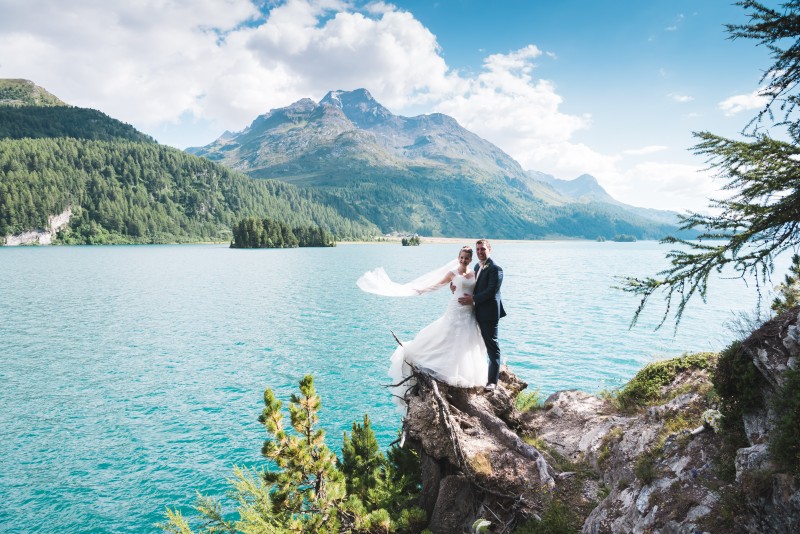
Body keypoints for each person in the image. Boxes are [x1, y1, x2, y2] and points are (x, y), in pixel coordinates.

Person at [356, 246, 488, 404]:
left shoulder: (474, 273)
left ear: (470, 259)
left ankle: (464, 375)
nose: (463, 260)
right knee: (448, 335)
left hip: (469, 311)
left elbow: (477, 289)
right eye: (461, 257)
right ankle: (440, 368)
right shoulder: (453, 273)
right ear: (458, 257)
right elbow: (439, 284)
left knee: (466, 340)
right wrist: (422, 290)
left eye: (466, 258)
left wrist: (471, 298)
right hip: (455, 309)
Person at [455, 239, 506, 391]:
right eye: (477, 249)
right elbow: (471, 283)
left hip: (489, 314)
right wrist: (455, 284)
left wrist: (473, 299)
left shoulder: (496, 269)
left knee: (492, 346)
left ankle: (492, 382)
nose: (479, 252)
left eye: (482, 249)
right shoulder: (477, 266)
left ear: (489, 249)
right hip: (476, 312)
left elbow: (491, 291)